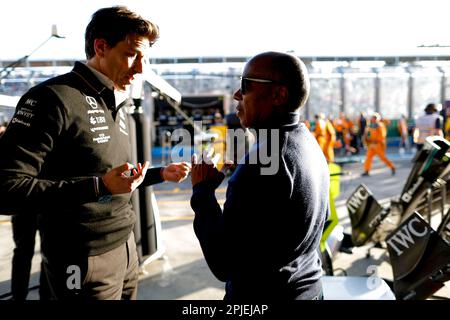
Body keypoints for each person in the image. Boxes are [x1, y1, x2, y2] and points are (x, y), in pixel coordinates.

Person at [0, 6, 190, 300]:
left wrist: (160, 174)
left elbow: (113, 176)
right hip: (81, 258)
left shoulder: (116, 101)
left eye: (145, 58)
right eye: (131, 54)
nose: (141, 68)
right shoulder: (52, 99)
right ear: (100, 47)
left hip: (126, 248)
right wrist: (98, 187)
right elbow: (5, 189)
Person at [190, 51, 329, 300]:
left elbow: (223, 263)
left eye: (245, 85)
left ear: (278, 95)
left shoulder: (260, 166)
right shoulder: (307, 142)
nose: (236, 94)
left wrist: (202, 191)